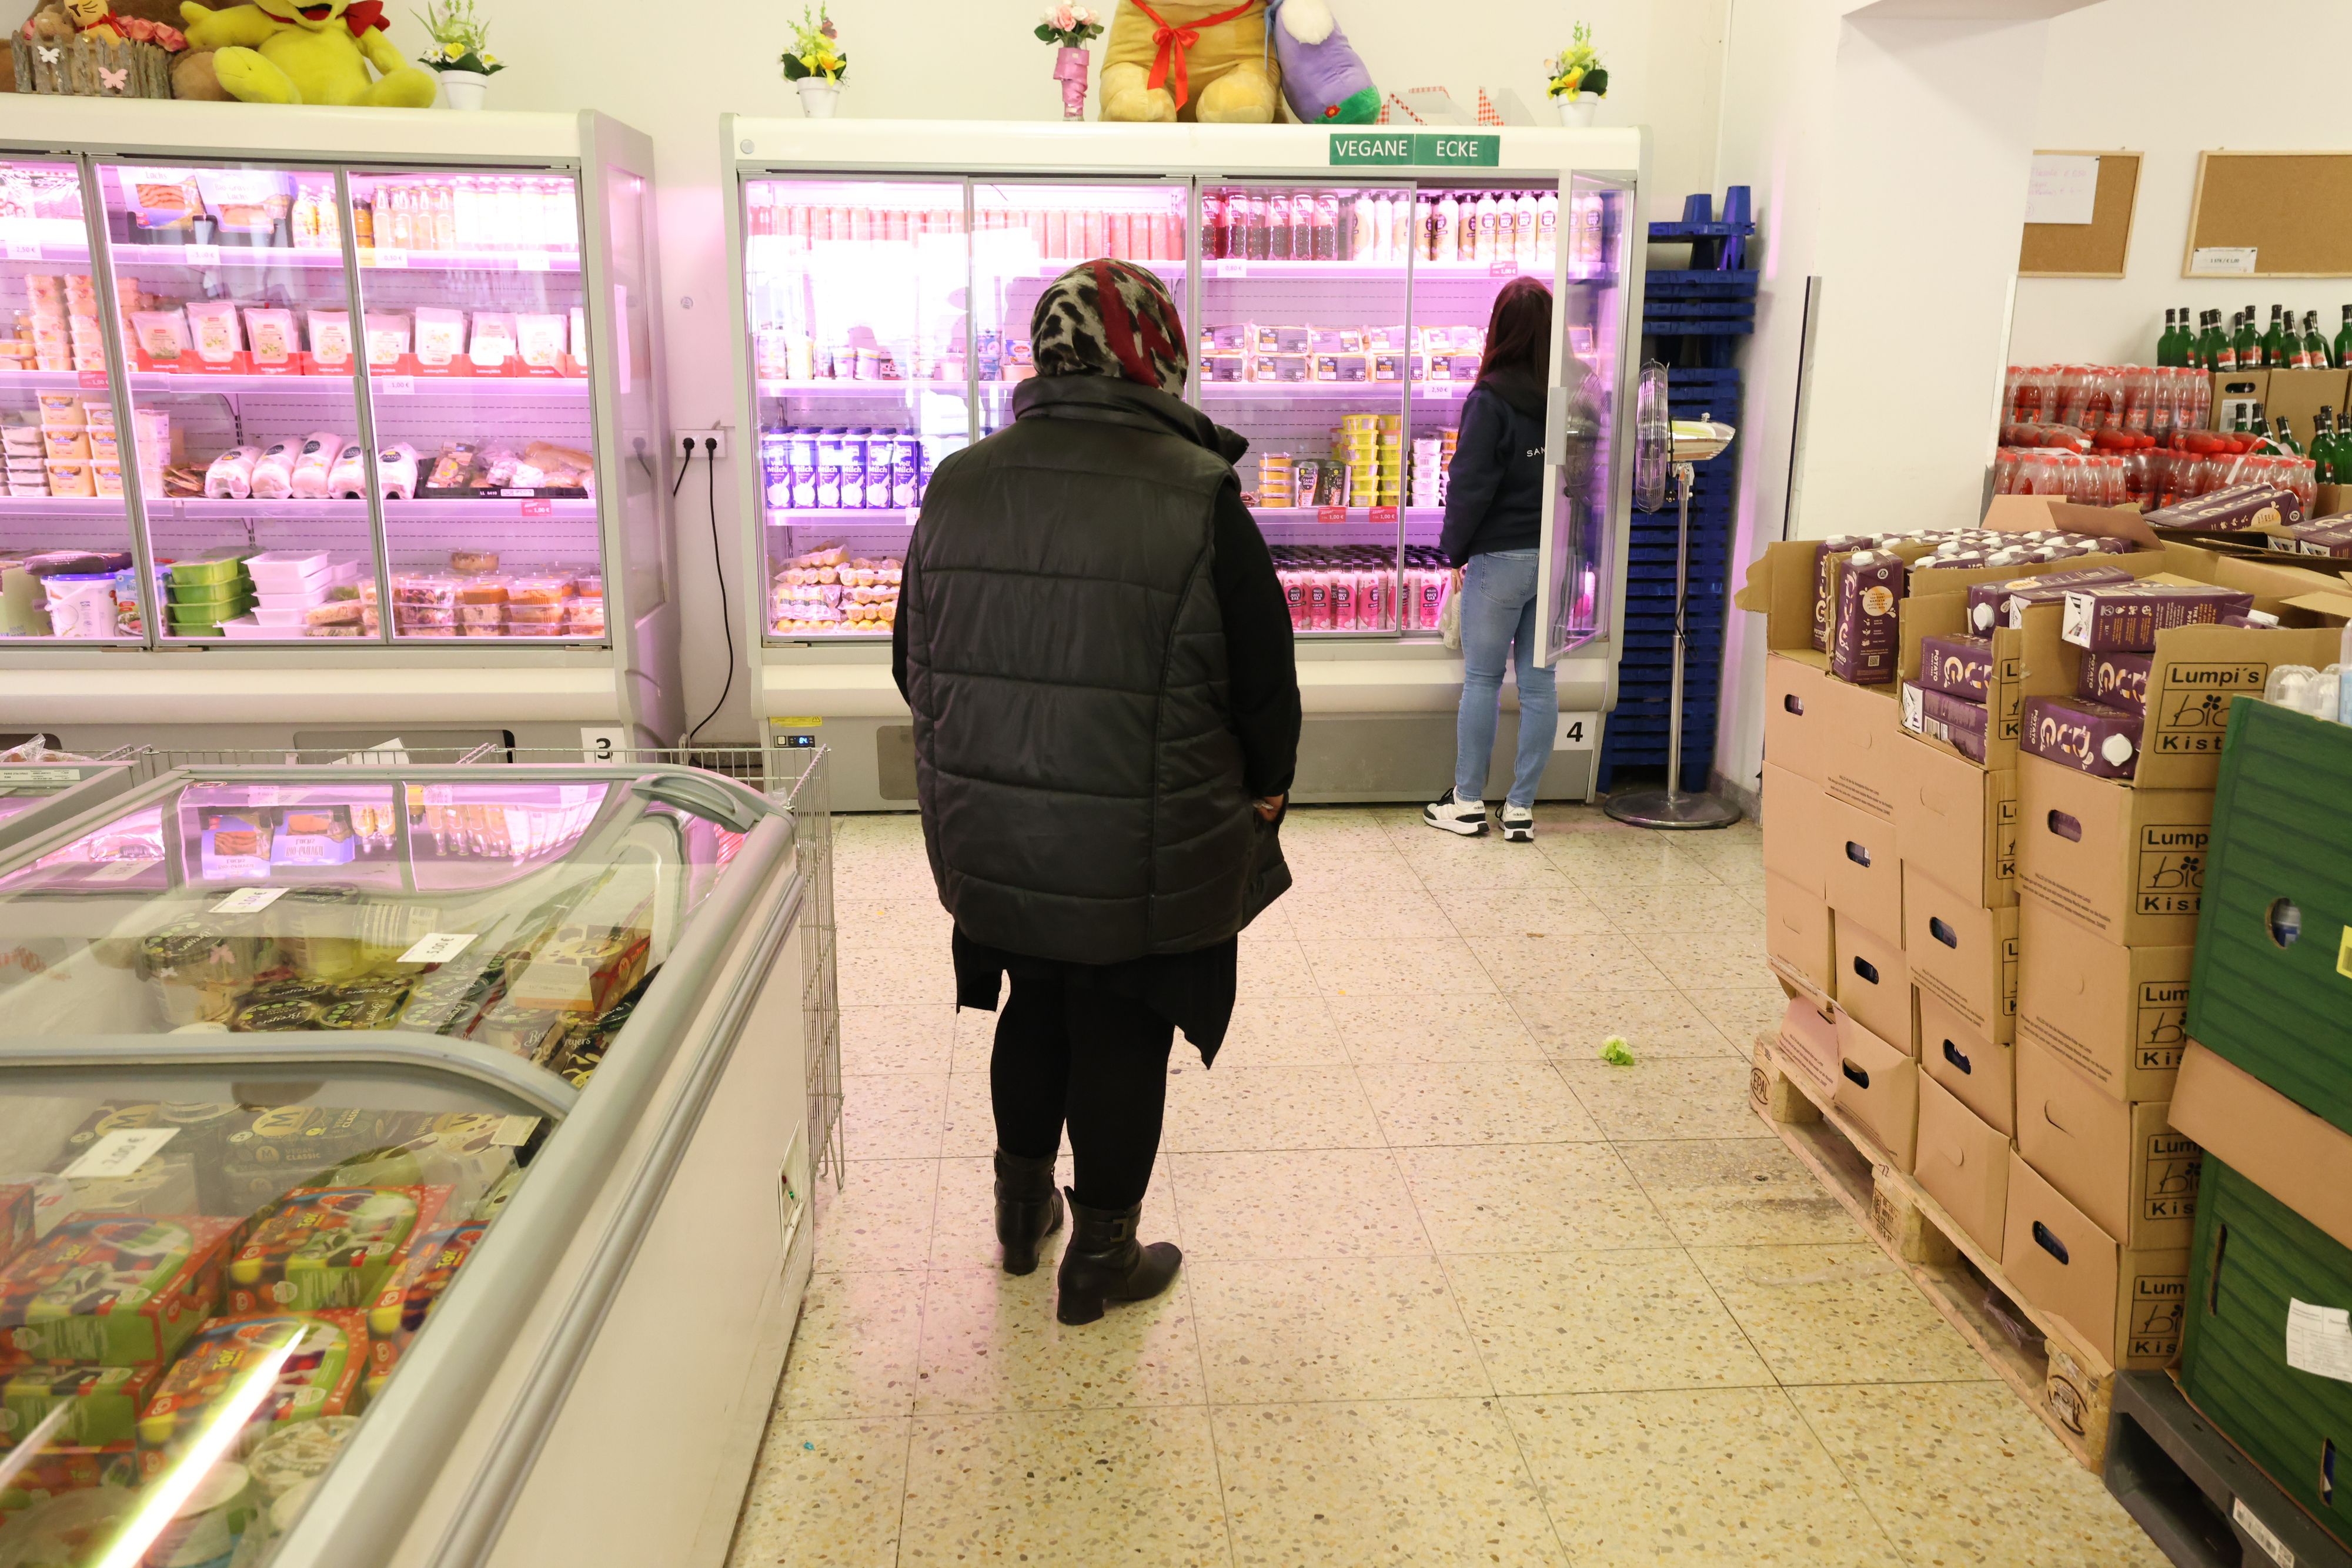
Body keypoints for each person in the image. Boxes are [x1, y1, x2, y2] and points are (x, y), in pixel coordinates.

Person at [893, 259, 1301, 1326]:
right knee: (1123, 1025)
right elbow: (1265, 688)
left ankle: (1022, 1218)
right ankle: (1103, 1259)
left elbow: (914, 663)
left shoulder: (960, 481)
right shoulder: (1196, 492)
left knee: (1033, 1005)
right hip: (1142, 842)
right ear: (1154, 351)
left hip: (997, 831)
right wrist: (1265, 796)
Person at [1425, 276, 1558, 844]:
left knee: (1482, 680)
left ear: (1499, 330)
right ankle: (1523, 808)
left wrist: (1454, 551)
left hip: (1499, 558)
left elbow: (1470, 483)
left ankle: (1469, 802)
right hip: (1552, 557)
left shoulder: (1490, 399)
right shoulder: (1570, 396)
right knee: (1540, 685)